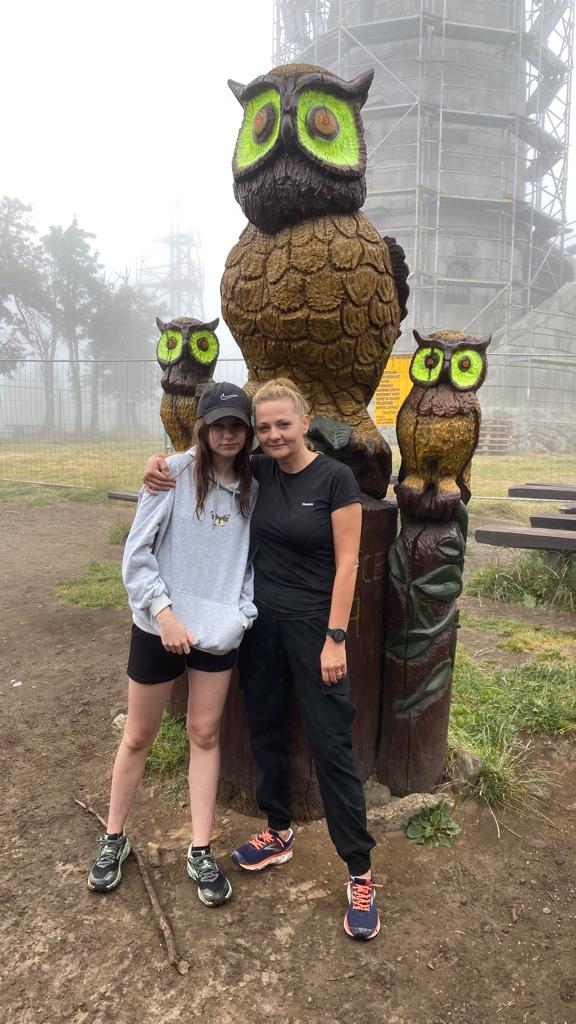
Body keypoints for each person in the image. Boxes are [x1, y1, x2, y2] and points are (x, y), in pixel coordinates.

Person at [144, 378, 379, 940]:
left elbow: (348, 564)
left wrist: (336, 637)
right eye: (264, 426)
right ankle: (279, 830)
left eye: (283, 424)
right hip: (259, 625)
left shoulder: (335, 479)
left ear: (305, 422)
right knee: (266, 728)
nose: (273, 435)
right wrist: (158, 465)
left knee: (330, 742)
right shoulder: (258, 472)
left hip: (316, 630)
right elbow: (203, 456)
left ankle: (360, 871)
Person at [88, 382, 258, 908]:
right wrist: (163, 614)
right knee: (139, 735)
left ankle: (200, 848)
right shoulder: (171, 475)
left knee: (205, 734)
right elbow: (137, 555)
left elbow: (249, 563)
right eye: (218, 425)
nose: (227, 435)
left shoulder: (255, 487)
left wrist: (240, 615)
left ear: (247, 431)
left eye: (236, 426)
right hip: (158, 626)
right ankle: (114, 837)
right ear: (202, 428)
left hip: (217, 632)